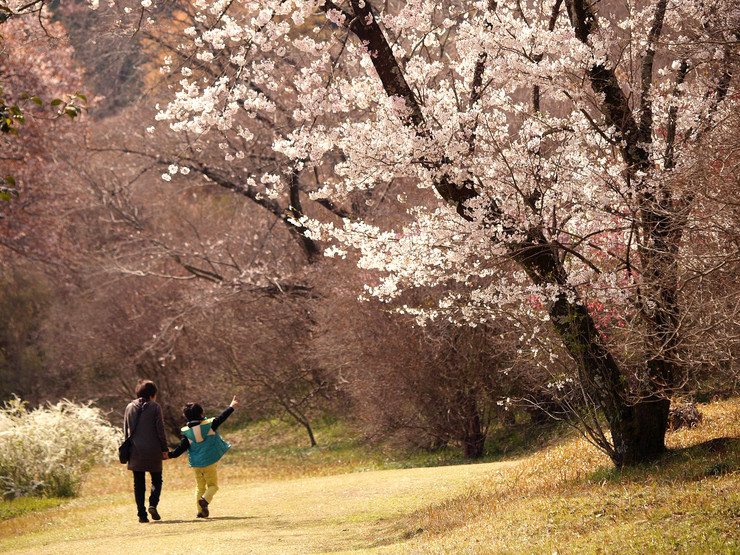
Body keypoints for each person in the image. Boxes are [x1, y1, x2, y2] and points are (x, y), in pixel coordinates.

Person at [168, 395, 238, 518]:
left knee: (200, 487)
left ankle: (201, 511)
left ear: (187, 417)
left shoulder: (187, 433)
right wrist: (231, 406)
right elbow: (222, 418)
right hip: (209, 463)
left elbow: (180, 449)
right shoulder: (209, 425)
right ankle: (205, 501)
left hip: (196, 465)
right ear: (201, 414)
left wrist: (169, 455)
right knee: (213, 486)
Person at [123, 379, 169, 523]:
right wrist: (164, 449)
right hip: (153, 450)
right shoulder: (155, 407)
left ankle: (141, 515)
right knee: (156, 479)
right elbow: (160, 430)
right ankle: (153, 504)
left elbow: (126, 431)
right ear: (152, 394)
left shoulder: (129, 407)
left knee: (139, 483)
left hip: (135, 450)